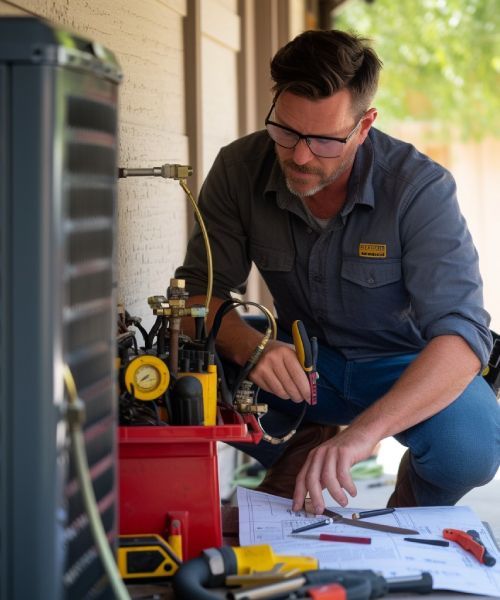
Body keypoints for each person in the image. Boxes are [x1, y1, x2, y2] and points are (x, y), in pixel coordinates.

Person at [175, 29, 500, 513]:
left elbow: (463, 335)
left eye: (325, 140)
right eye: (286, 131)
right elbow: (193, 300)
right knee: (172, 385)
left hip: (401, 365)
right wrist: (254, 347)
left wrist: (363, 437)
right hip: (301, 363)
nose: (300, 156)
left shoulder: (419, 188)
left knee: (470, 448)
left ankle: (412, 514)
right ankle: (296, 444)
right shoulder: (239, 167)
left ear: (364, 124)